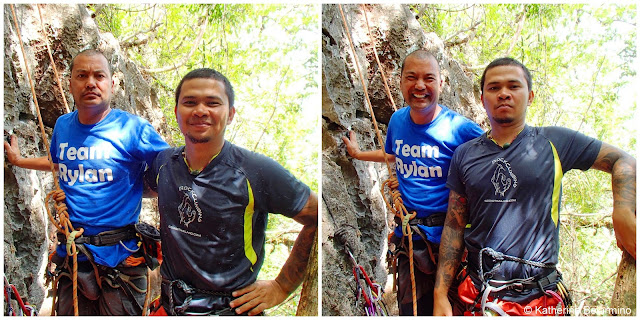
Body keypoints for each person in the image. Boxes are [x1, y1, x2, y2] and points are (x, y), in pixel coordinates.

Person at [433, 57, 636, 316]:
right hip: (475, 294)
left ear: (529, 96)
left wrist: (622, 213)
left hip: (539, 299)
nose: (503, 93)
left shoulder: (555, 142)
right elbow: (454, 225)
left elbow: (623, 160)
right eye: (494, 88)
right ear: (483, 98)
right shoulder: (465, 155)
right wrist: (440, 293)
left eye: (513, 86)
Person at [4, 49, 169, 315]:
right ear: (70, 84)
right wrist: (20, 161)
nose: (90, 82)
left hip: (120, 257)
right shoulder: (63, 125)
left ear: (112, 84)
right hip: (74, 257)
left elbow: (172, 169)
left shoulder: (133, 129)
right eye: (82, 76)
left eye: (99, 76)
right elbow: (61, 164)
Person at [145, 68, 318, 316]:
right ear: (176, 112)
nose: (200, 110)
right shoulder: (163, 164)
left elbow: (314, 214)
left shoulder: (254, 170)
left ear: (231, 114)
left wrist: (282, 286)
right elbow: (139, 187)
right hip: (170, 305)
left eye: (213, 103)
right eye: (189, 102)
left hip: (230, 309)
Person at [342, 49, 484, 315]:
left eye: (429, 78)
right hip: (410, 239)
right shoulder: (398, 120)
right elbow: (395, 154)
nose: (420, 85)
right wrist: (358, 154)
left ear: (440, 83)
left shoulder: (460, 129)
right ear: (400, 82)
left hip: (450, 243)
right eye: (412, 77)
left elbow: (492, 154)